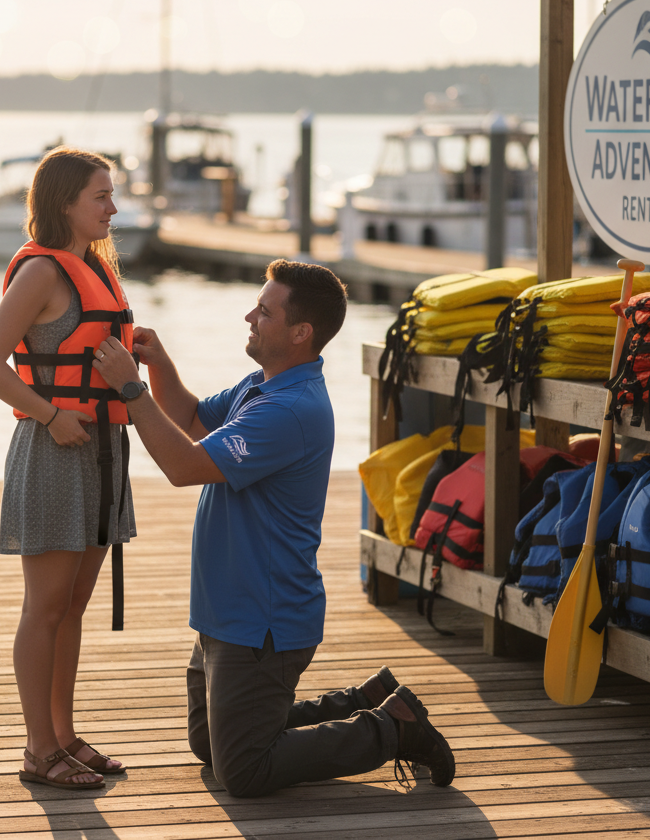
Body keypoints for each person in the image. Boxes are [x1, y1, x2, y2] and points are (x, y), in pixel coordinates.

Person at [93, 258, 456, 797]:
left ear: (300, 332)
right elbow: (192, 419)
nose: (250, 316)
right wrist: (158, 365)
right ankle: (366, 699)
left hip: (262, 622)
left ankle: (391, 728)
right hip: (226, 611)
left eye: (264, 311)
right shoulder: (264, 385)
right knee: (208, 745)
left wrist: (129, 389)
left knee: (243, 770)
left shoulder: (289, 410)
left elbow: (184, 466)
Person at [0, 146, 136, 791]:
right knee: (44, 608)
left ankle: (65, 737)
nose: (113, 208)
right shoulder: (40, 273)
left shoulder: (95, 267)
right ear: (64, 201)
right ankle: (39, 750)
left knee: (72, 607)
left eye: (112, 195)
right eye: (101, 196)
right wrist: (47, 414)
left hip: (104, 453)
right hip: (54, 450)